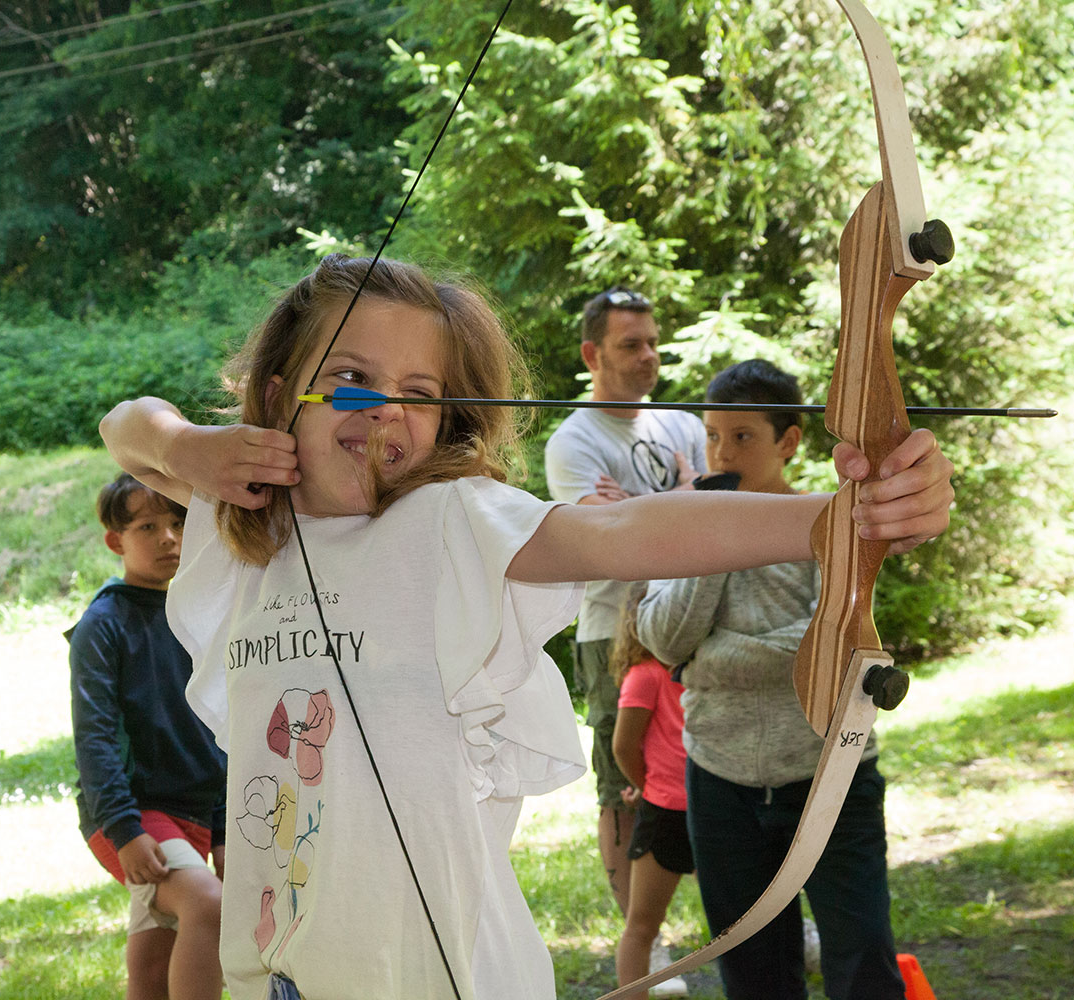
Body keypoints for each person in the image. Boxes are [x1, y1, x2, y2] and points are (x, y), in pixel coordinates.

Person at [97, 254, 953, 1000]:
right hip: (281, 968)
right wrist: (186, 447)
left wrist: (842, 519)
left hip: (442, 970)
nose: (386, 409)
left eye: (420, 394)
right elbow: (125, 424)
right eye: (352, 377)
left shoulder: (453, 519)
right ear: (278, 395)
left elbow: (621, 532)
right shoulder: (239, 522)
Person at [635, 359, 906, 1000]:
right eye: (712, 436)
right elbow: (662, 638)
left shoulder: (832, 523)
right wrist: (714, 540)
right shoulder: (684, 522)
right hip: (720, 781)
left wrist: (705, 659)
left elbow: (834, 646)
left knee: (862, 960)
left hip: (829, 774)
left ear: (788, 441)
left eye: (743, 437)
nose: (722, 453)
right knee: (752, 970)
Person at [543, 287, 706, 911]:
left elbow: (712, 517)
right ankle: (643, 942)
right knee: (623, 787)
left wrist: (637, 508)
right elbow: (612, 543)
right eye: (631, 345)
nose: (649, 356)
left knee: (722, 770)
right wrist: (685, 499)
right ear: (593, 354)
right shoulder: (574, 441)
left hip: (693, 623)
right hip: (614, 634)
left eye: (653, 343)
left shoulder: (683, 425)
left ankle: (751, 921)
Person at [68, 472, 226, 1000]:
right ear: (116, 541)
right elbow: (94, 738)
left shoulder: (197, 614)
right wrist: (124, 828)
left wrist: (223, 827)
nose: (168, 538)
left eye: (178, 522)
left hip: (195, 813)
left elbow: (215, 728)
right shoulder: (102, 623)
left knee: (156, 966)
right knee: (207, 905)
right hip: (132, 815)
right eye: (148, 527)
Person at [609, 587, 691, 996]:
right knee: (641, 926)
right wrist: (649, 788)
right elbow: (623, 746)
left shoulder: (700, 667)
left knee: (743, 919)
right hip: (667, 814)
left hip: (717, 804)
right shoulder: (645, 674)